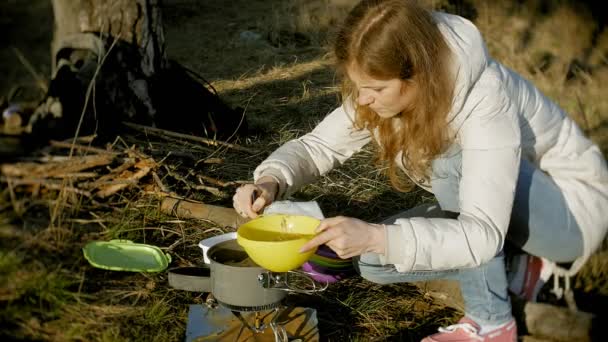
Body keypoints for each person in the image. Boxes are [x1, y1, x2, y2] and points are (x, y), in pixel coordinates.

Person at [232, 0, 608, 341]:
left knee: (447, 160)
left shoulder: (484, 101)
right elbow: (319, 147)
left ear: (418, 75)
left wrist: (378, 235)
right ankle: (519, 268)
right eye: (357, 86)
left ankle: (492, 324)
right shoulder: (382, 87)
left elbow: (478, 234)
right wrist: (271, 180)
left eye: (375, 88)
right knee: (373, 261)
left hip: (569, 213)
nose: (362, 99)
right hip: (497, 207)